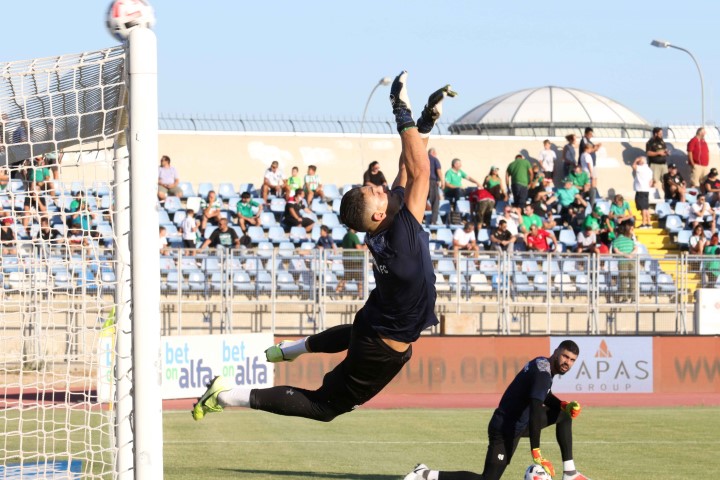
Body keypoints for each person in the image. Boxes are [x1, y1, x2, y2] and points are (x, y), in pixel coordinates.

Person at [191, 71, 454, 423]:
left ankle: (293, 350)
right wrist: (401, 110)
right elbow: (419, 170)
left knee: (354, 335)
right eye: (376, 192)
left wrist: (425, 123)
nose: (381, 187)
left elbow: (407, 170)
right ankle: (226, 394)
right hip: (380, 346)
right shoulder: (403, 234)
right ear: (379, 214)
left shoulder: (388, 226)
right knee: (324, 407)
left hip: (378, 321)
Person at [404, 340, 590, 480]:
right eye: (565, 356)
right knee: (488, 479)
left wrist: (563, 405)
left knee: (564, 415)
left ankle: (570, 472)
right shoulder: (543, 374)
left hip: (519, 423)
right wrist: (536, 453)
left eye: (572, 360)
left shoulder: (542, 363)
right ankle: (425, 474)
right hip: (504, 429)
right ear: (556, 352)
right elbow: (535, 411)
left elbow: (542, 394)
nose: (567, 362)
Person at [335, 227, 365, 296]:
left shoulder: (346, 236)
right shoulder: (353, 236)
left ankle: (336, 292)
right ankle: (361, 295)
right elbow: (359, 248)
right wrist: (366, 246)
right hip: (355, 261)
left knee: (346, 277)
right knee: (359, 279)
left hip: (347, 260)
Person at [612, 223, 637, 302]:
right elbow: (636, 248)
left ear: (617, 233)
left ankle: (625, 298)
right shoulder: (630, 240)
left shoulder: (615, 241)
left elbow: (617, 252)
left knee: (623, 280)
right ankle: (633, 299)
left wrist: (625, 255)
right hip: (632, 261)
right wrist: (630, 255)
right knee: (633, 280)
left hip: (622, 262)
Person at [632, 156, 653, 229]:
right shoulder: (649, 170)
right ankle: (649, 222)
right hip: (646, 190)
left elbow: (633, 166)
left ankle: (644, 223)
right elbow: (651, 181)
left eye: (639, 161)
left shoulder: (641, 168)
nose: (638, 162)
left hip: (641, 190)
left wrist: (636, 160)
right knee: (646, 207)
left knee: (643, 208)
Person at [427, 148, 443, 226]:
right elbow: (438, 170)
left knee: (421, 201)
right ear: (433, 153)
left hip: (422, 182)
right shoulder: (434, 159)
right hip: (432, 182)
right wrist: (442, 181)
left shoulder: (423, 159)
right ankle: (433, 221)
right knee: (435, 202)